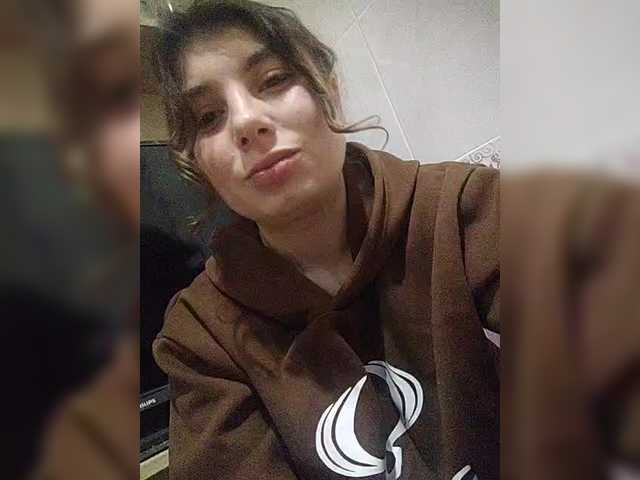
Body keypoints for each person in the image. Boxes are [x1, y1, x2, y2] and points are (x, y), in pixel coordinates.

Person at [152, 1, 499, 479]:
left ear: (331, 91)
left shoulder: (457, 207)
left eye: (274, 80)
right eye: (209, 116)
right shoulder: (199, 336)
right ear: (199, 164)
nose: (245, 122)